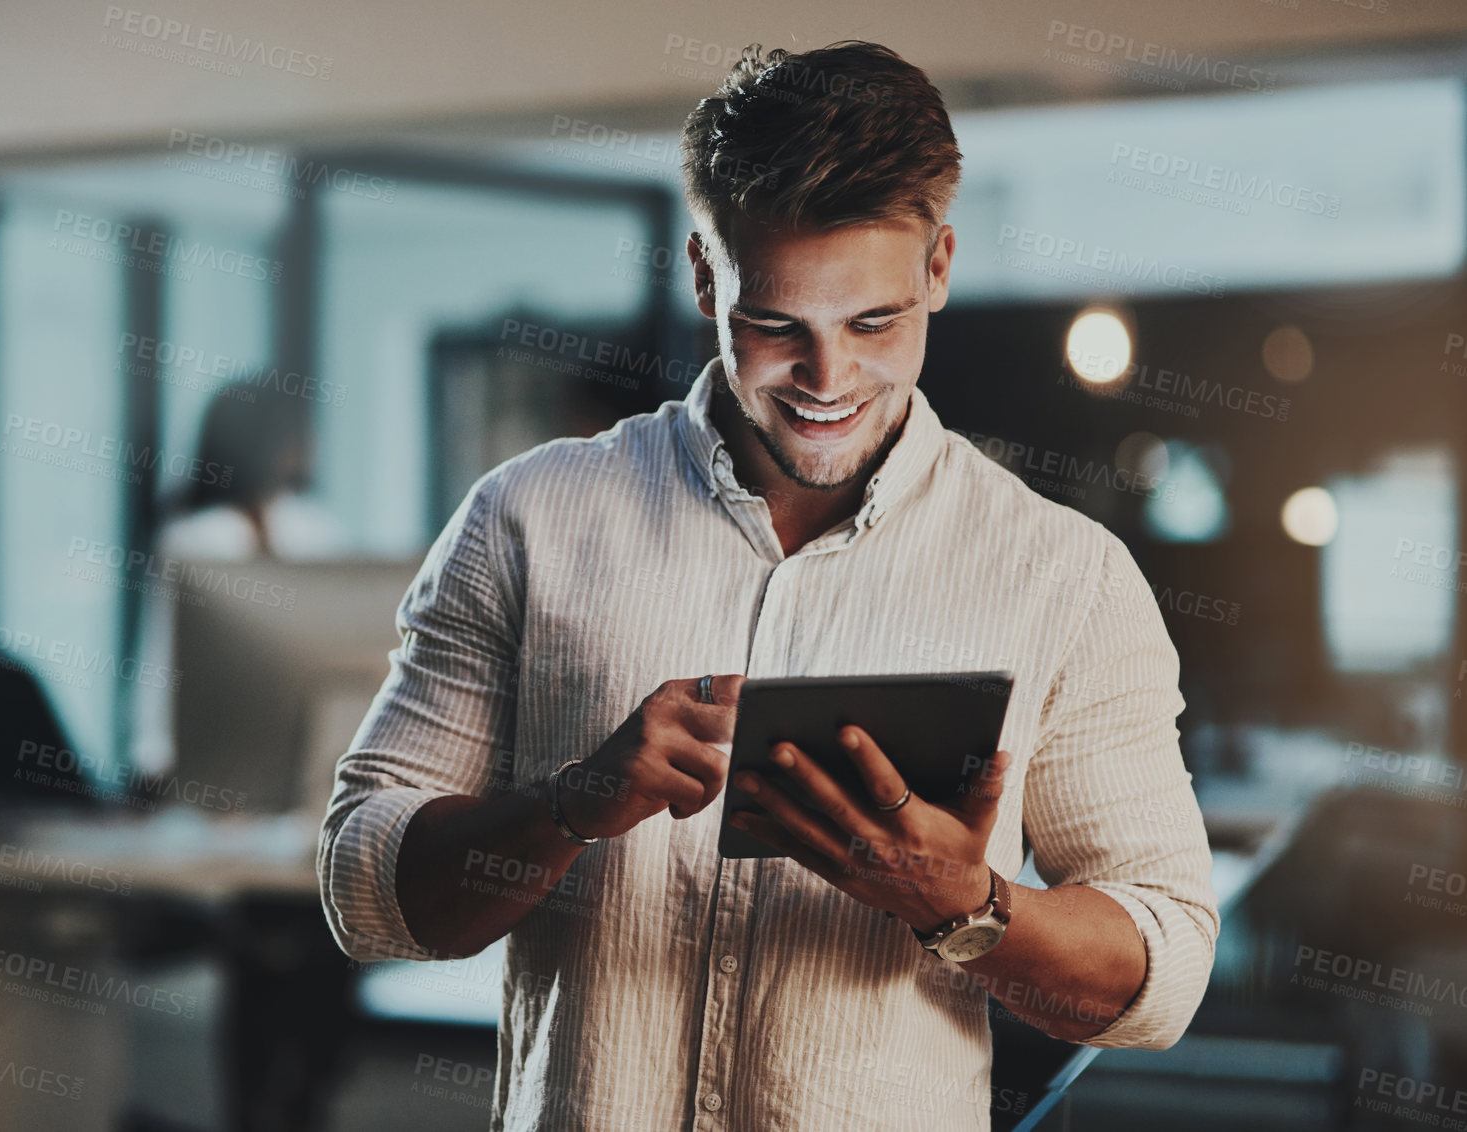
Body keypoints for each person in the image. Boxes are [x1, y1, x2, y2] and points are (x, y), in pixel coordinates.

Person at [319, 40, 1218, 1131]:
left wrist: (965, 906)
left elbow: (1159, 974)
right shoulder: (529, 519)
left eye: (874, 323)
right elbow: (365, 888)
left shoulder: (1063, 578)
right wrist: (568, 805)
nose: (828, 381)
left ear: (938, 266)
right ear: (705, 275)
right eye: (773, 325)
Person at [128, 382, 345, 777]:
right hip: (210, 761)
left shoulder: (318, 534)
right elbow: (160, 660)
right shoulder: (192, 541)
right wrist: (155, 762)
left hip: (307, 759)